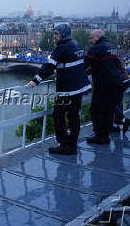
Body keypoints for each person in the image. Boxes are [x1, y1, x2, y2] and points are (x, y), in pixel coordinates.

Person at [28, 24, 91, 155]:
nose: (54, 37)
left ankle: (63, 144)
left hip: (67, 89)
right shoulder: (76, 45)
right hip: (79, 87)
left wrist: (35, 80)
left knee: (58, 116)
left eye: (56, 34)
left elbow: (49, 67)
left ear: (63, 34)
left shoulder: (62, 48)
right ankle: (72, 145)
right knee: (74, 117)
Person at [84, 29, 123, 144]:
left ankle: (99, 136)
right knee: (109, 110)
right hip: (116, 82)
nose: (90, 40)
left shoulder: (96, 48)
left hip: (103, 83)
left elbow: (85, 64)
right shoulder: (112, 46)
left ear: (97, 37)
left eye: (91, 38)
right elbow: (106, 64)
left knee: (95, 110)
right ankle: (105, 136)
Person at [111, 59, 130, 134]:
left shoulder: (107, 59)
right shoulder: (114, 57)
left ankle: (124, 120)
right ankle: (117, 125)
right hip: (125, 81)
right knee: (119, 103)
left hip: (119, 82)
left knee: (111, 103)